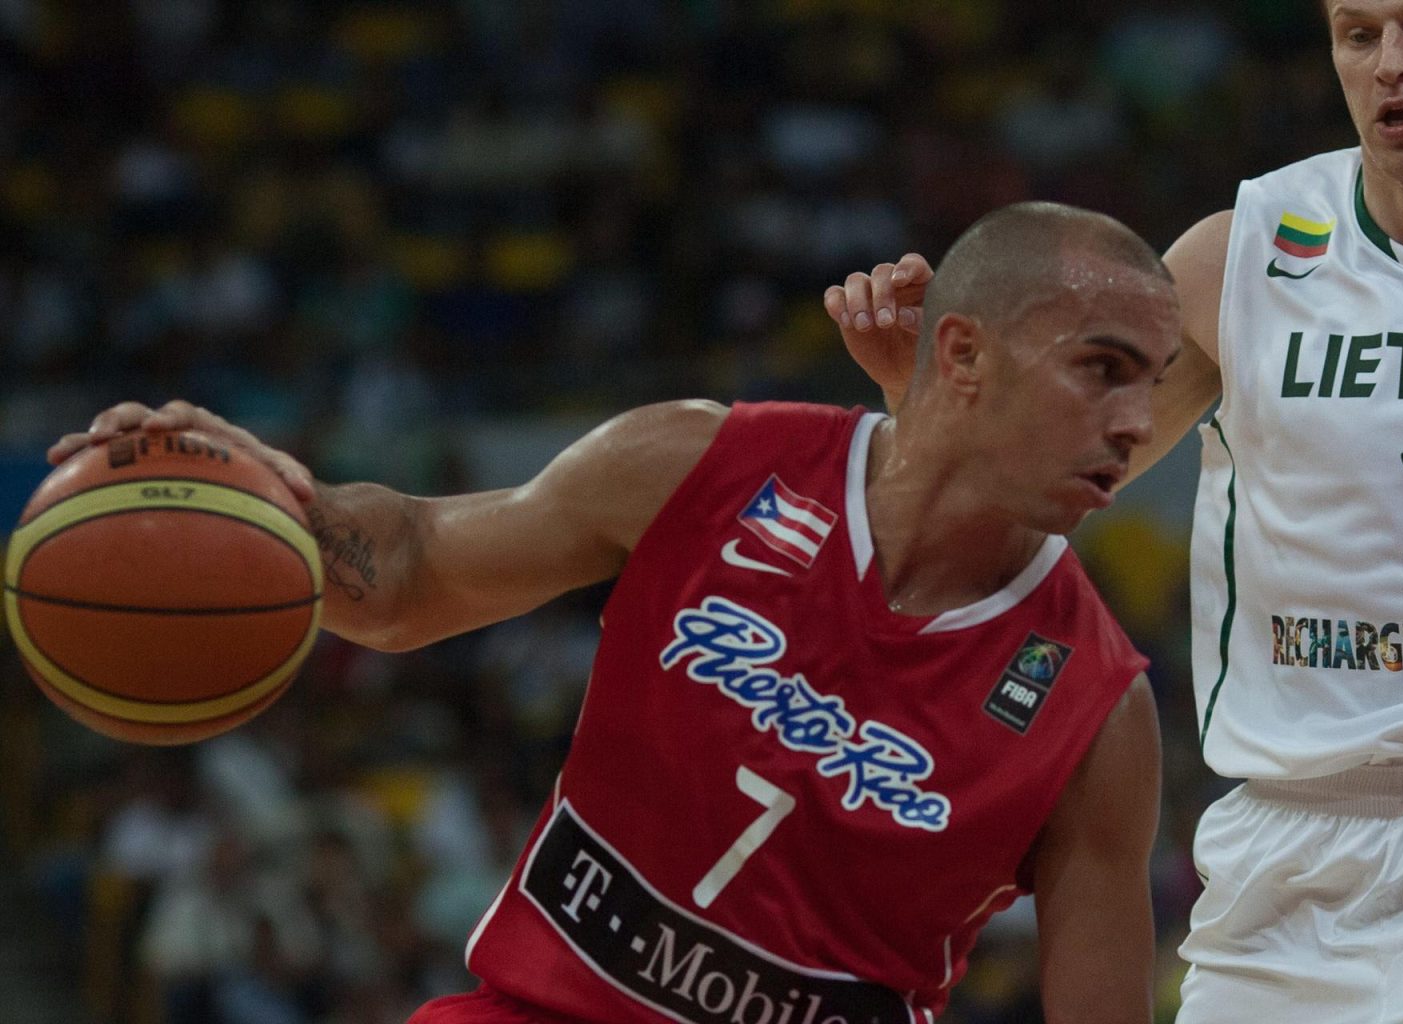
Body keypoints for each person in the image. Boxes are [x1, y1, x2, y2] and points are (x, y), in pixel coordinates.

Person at [51, 202, 1180, 1024]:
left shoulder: (1094, 709)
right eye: (1103, 368)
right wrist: (269, 497)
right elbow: (411, 573)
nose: (1137, 420)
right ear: (964, 352)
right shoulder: (701, 460)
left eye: (1154, 379)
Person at [826, 2, 1403, 1022]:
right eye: (1357, 33)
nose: (1390, 65)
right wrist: (931, 406)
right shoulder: (1237, 252)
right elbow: (1038, 496)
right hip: (1280, 860)